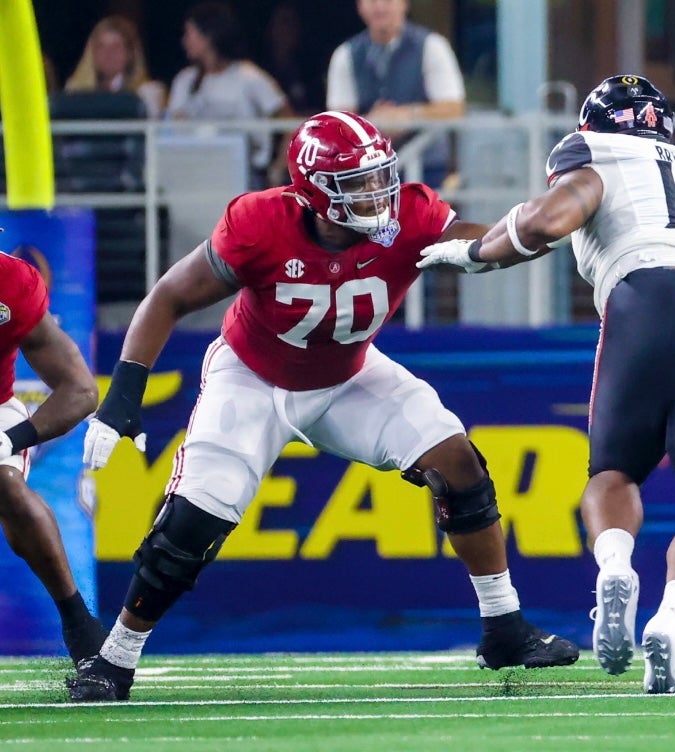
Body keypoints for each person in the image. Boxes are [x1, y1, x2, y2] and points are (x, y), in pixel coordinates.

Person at [64, 110, 578, 703]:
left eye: (380, 176)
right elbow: (169, 297)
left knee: (459, 463)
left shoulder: (410, 215)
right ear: (314, 191)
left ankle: (504, 628)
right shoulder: (259, 223)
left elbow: (484, 242)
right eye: (358, 182)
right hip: (252, 379)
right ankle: (115, 658)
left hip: (349, 374)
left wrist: (536, 230)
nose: (378, 193)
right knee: (192, 522)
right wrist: (123, 397)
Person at [417, 75, 675, 694]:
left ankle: (615, 566)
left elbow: (547, 222)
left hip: (646, 294)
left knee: (612, 474)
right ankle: (672, 623)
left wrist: (473, 254)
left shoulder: (597, 151)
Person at [0, 241, 106, 667]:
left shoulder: (12, 283)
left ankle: (80, 627)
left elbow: (80, 390)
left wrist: (11, 440)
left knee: (5, 483)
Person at [165, 2, 294, 186]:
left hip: (244, 178)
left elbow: (289, 124)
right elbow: (173, 130)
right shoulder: (185, 81)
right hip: (194, 178)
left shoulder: (249, 77)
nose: (184, 41)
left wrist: (278, 169)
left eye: (189, 33)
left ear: (208, 35)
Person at [326, 0, 466, 124]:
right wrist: (373, 123)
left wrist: (409, 115)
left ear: (404, 3)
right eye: (372, 1)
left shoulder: (432, 46)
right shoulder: (345, 54)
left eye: (388, 1)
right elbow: (338, 121)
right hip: (368, 144)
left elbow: (454, 109)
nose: (380, 7)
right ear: (360, 6)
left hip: (424, 145)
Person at [64, 16, 167, 118]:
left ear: (130, 54)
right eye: (101, 47)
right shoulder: (73, 91)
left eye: (116, 47)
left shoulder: (147, 93)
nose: (108, 54)